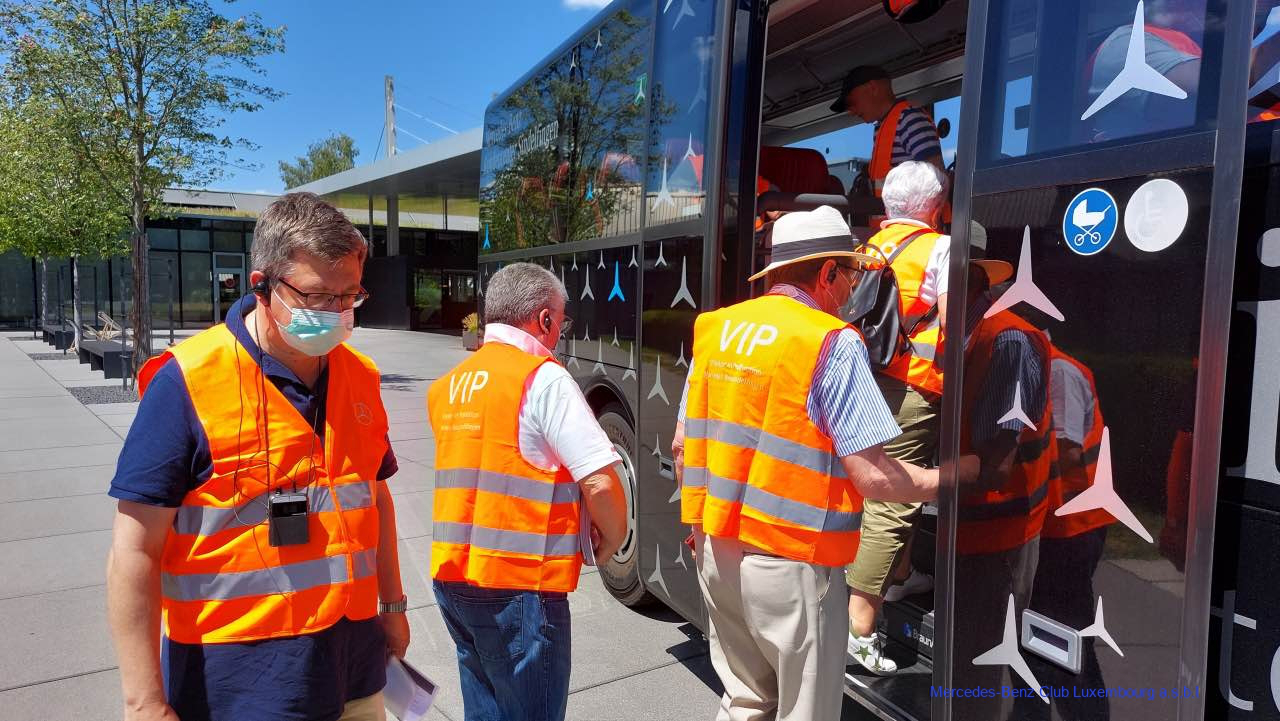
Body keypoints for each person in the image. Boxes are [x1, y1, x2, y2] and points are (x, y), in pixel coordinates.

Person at [106, 192, 408, 721]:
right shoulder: (188, 382)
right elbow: (135, 548)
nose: (336, 313)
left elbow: (375, 498)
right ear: (262, 286)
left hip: (355, 666)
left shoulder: (359, 376)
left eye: (349, 296)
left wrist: (393, 605)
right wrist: (144, 701)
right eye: (317, 296)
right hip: (239, 685)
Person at [672, 206, 976, 721]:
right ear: (828, 272)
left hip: (713, 549)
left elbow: (683, 447)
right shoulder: (831, 342)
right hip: (792, 564)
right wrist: (953, 478)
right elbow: (874, 476)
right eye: (852, 273)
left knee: (746, 700)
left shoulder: (717, 328)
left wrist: (702, 529)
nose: (855, 286)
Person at [428, 262, 628, 721]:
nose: (560, 333)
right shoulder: (542, 378)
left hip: (453, 579)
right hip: (519, 589)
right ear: (544, 319)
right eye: (561, 322)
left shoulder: (451, 385)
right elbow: (600, 479)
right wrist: (612, 541)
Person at [844, 161, 953, 675]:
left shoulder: (865, 250)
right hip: (914, 385)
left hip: (862, 380)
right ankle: (859, 628)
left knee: (873, 485)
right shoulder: (941, 248)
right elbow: (953, 324)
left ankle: (902, 574)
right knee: (894, 497)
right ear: (937, 206)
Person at [952, 261, 1056, 720]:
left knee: (978, 666)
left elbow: (997, 462)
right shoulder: (963, 331)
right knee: (967, 658)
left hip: (997, 536)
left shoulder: (1008, 340)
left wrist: (913, 479)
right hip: (970, 528)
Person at [830, 64, 944, 198]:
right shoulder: (883, 128)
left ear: (872, 88)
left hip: (915, 212)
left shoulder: (909, 118)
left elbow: (936, 179)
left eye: (851, 102)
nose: (851, 112)